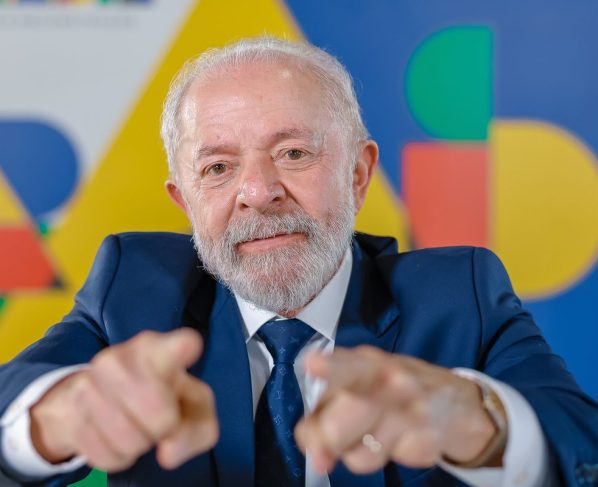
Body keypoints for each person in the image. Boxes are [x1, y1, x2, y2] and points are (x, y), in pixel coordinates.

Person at [0, 36, 597, 487]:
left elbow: (581, 450)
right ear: (185, 202)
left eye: (292, 153)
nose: (259, 192)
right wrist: (57, 419)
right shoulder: (134, 288)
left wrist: (472, 422)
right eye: (218, 167)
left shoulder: (459, 297)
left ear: (358, 174)